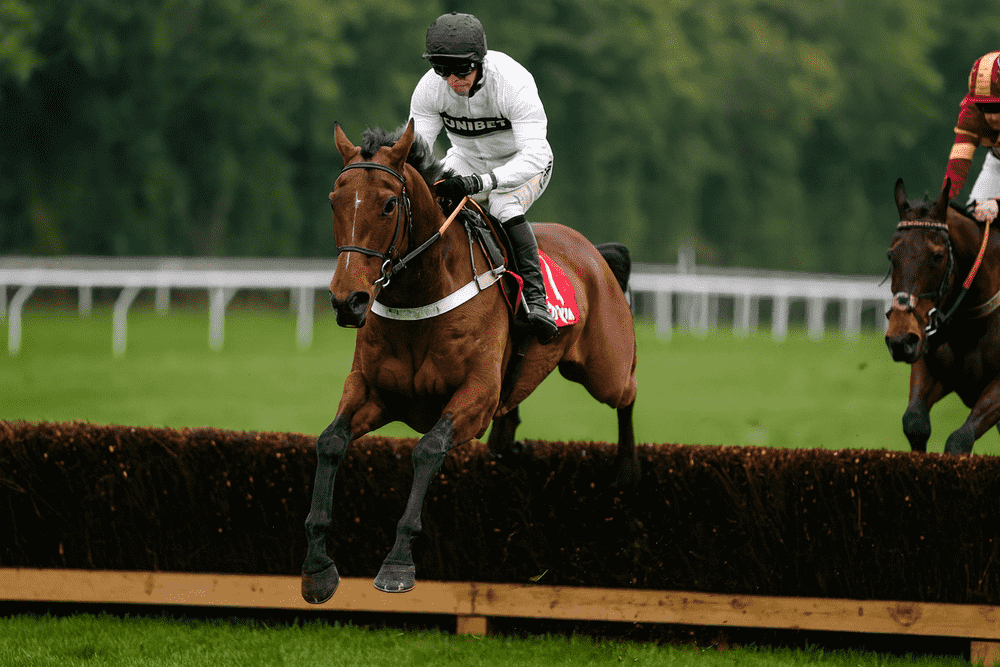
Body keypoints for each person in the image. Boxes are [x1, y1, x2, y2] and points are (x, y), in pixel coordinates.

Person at [409, 11, 559, 344]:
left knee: (504, 206)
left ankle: (536, 301)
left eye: (462, 69)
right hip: (467, 160)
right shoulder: (429, 89)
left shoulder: (513, 82)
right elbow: (416, 152)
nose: (453, 79)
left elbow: (534, 154)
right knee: (432, 199)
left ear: (480, 61)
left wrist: (483, 182)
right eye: (442, 69)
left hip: (524, 164)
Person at [943, 50, 1000, 224]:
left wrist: (998, 203)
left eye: (998, 108)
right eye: (985, 108)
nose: (992, 117)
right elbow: (959, 160)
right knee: (972, 219)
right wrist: (943, 199)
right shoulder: (970, 112)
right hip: (997, 161)